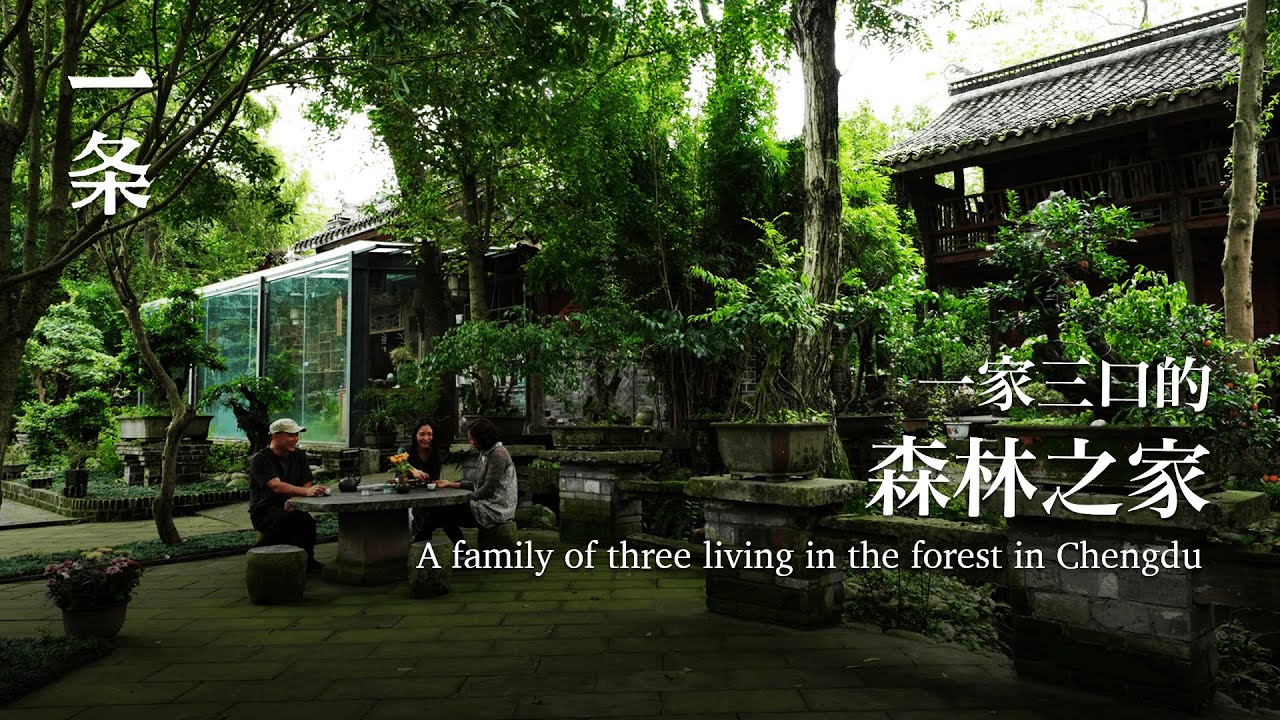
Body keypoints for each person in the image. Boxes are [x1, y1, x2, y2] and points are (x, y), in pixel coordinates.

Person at [248, 418, 327, 573]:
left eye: (296, 435)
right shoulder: (260, 459)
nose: (295, 439)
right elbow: (276, 485)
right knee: (289, 523)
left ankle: (308, 561)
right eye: (291, 435)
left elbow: (307, 481)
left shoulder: (299, 455)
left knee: (307, 522)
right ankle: (260, 555)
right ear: (275, 436)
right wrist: (305, 493)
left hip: (293, 507)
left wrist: (295, 500)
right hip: (264, 511)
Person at [422, 417, 517, 544]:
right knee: (440, 512)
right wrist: (450, 483)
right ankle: (460, 550)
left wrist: (462, 499)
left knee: (441, 512)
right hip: (484, 504)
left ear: (482, 438)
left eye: (472, 439)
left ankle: (419, 543)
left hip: (496, 509)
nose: (470, 442)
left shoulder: (498, 455)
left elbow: (487, 490)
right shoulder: (486, 452)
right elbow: (477, 484)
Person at [404, 419, 451, 541]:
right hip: (408, 495)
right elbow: (399, 462)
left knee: (443, 513)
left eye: (429, 434)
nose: (426, 438)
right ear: (415, 435)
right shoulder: (406, 450)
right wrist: (414, 471)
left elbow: (435, 478)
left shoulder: (434, 452)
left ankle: (463, 548)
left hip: (428, 494)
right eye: (422, 434)